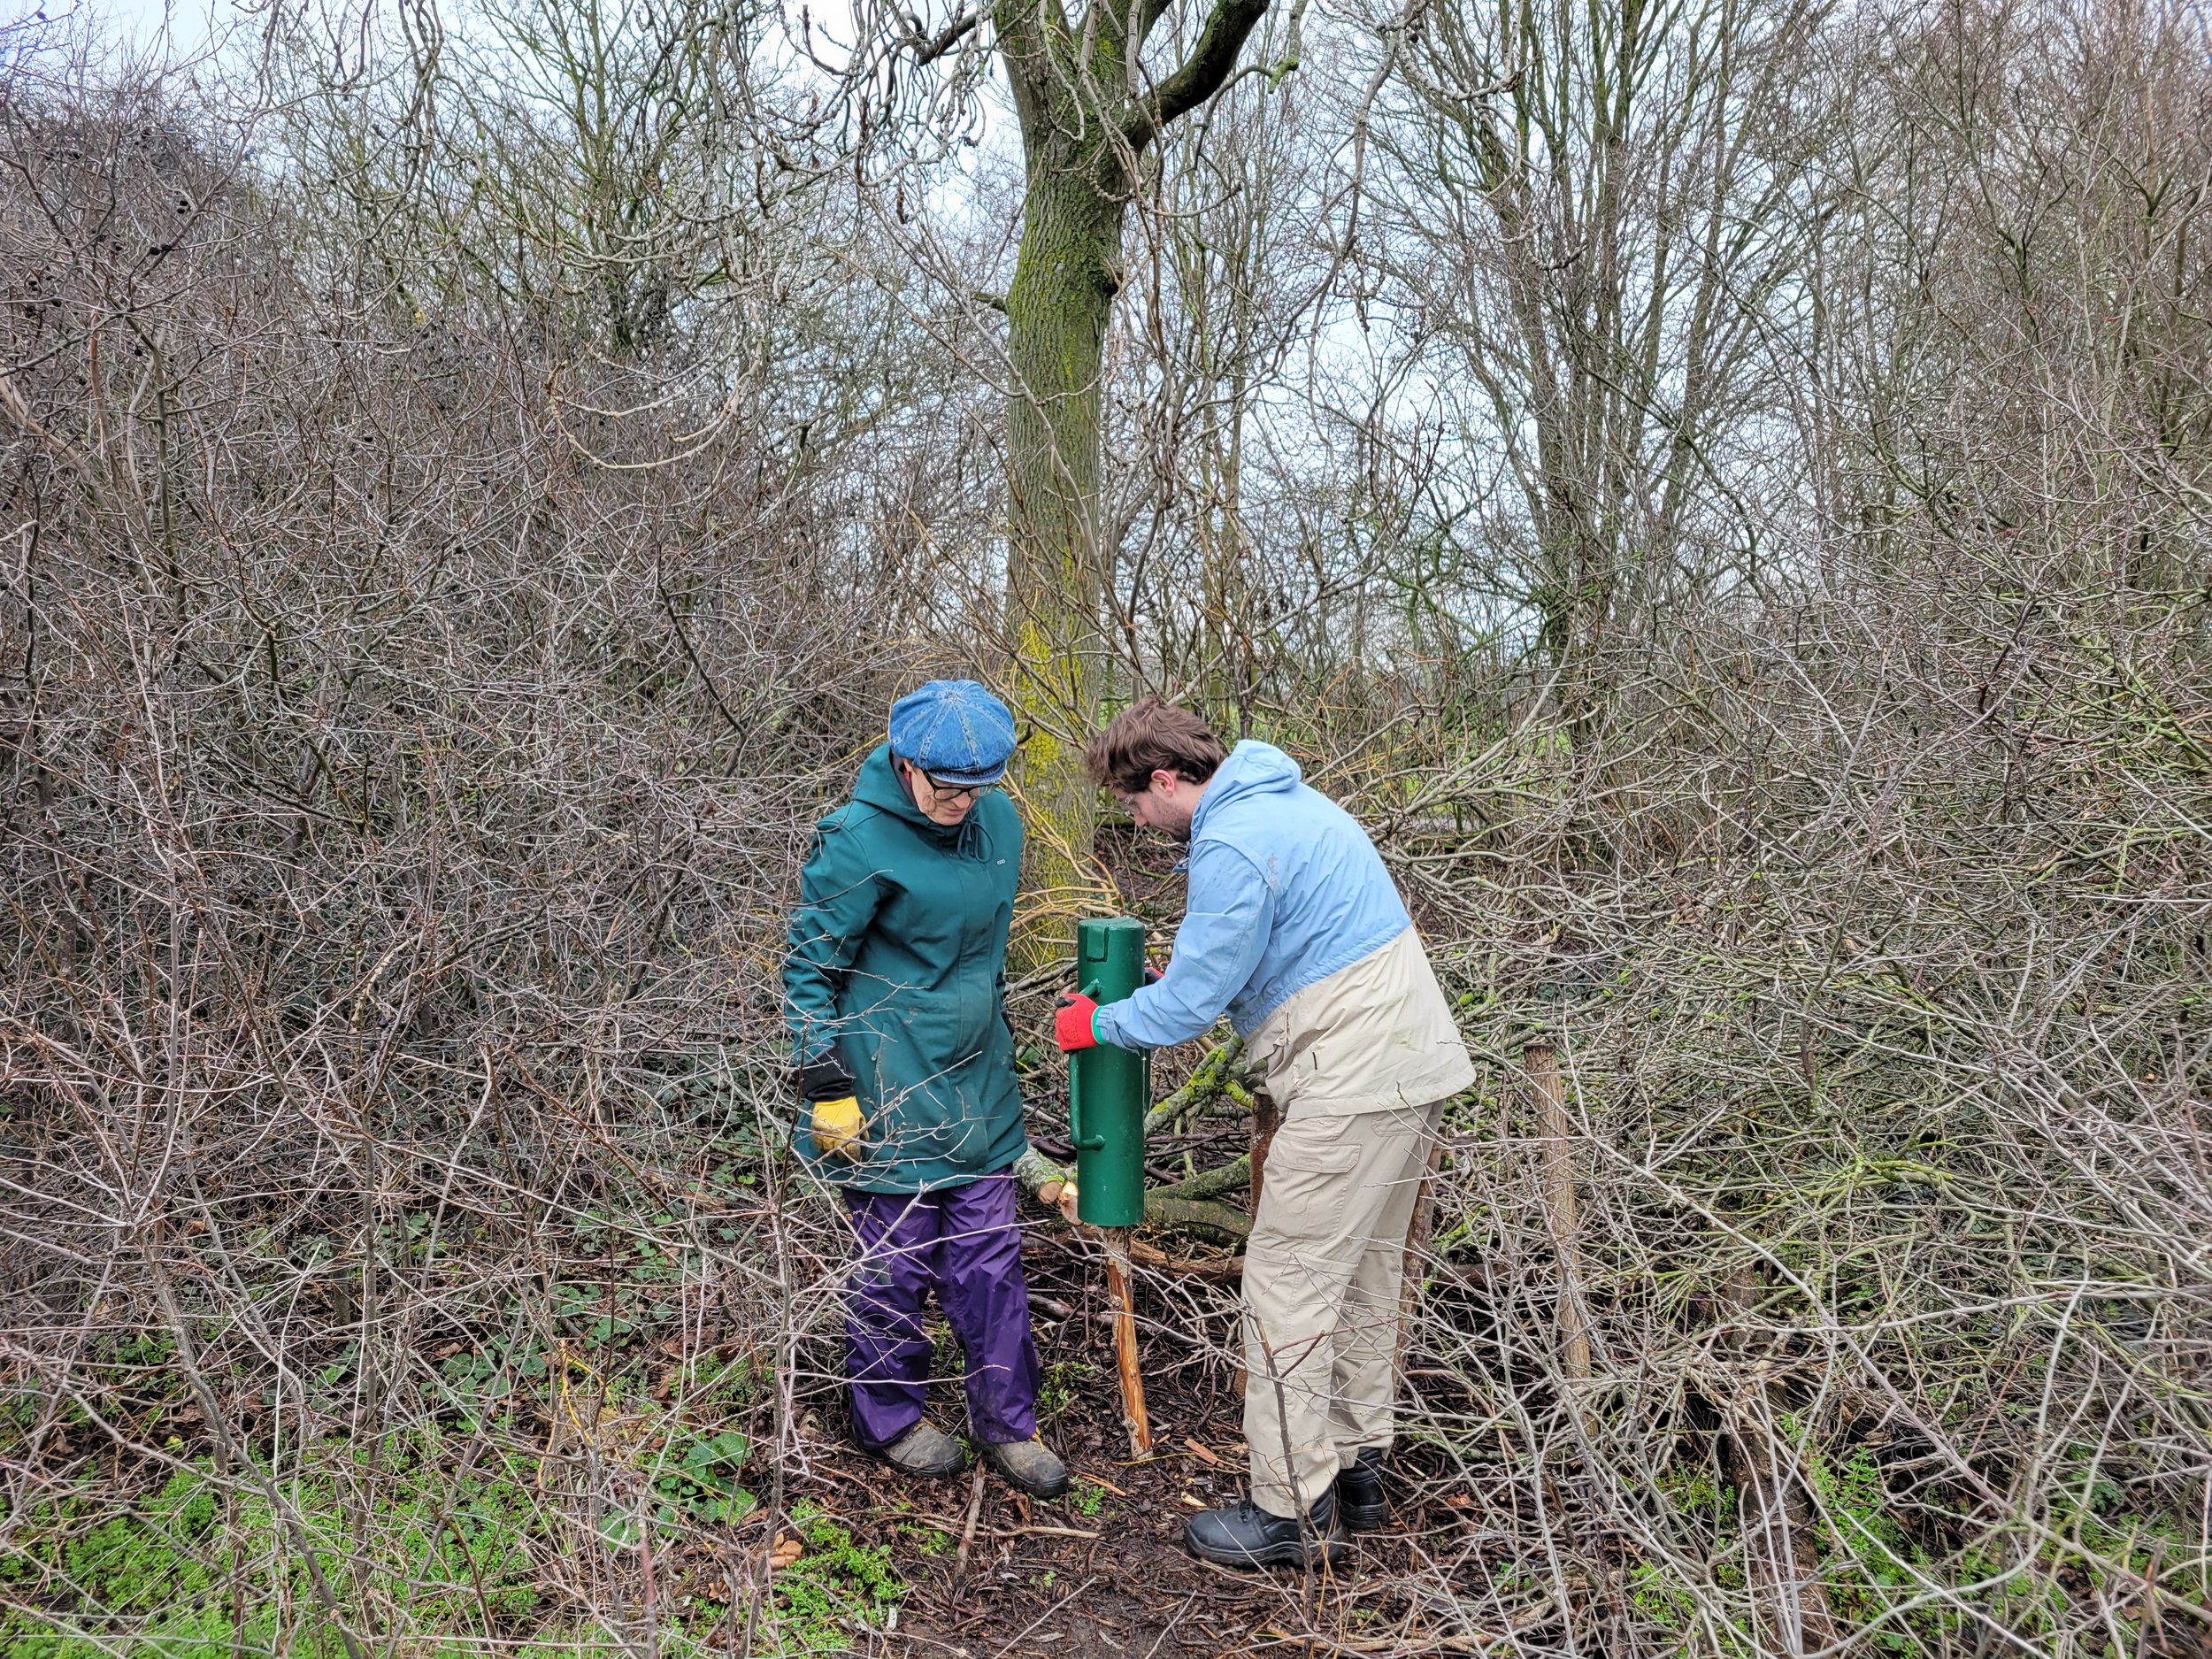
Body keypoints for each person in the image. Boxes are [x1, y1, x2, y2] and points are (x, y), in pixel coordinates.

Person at [1055, 698, 1473, 1567]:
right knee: (1363, 1276)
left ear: (1166, 781)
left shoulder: (1231, 842)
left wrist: (1094, 1027)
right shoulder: (1290, 802)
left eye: (1135, 803)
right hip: (1412, 1064)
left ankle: (1290, 1512)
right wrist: (1197, 979)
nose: (1136, 820)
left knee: (1284, 1292)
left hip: (1351, 1084)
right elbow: (1281, 946)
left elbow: (1185, 1009)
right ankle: (1359, 1469)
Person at [784, 680, 1070, 1499]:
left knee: (990, 1262)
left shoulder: (1000, 827)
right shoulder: (856, 839)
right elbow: (809, 969)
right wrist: (824, 1077)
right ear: (905, 762)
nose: (958, 802)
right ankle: (890, 1418)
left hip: (976, 1075)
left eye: (976, 787)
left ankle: (1008, 1425)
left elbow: (985, 958)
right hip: (886, 1079)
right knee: (894, 1264)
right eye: (944, 784)